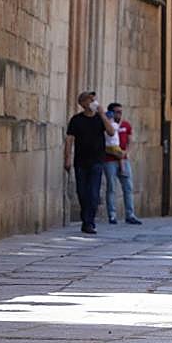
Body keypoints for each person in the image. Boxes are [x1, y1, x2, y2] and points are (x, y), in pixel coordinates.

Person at [64, 91, 117, 235]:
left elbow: (111, 132)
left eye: (95, 99)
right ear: (83, 104)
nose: (94, 102)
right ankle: (85, 220)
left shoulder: (100, 119)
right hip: (81, 161)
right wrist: (67, 158)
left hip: (97, 161)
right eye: (90, 100)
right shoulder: (76, 120)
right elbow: (69, 139)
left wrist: (102, 114)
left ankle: (89, 223)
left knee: (93, 193)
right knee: (82, 193)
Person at [102, 102, 142, 225]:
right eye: (117, 112)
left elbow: (130, 141)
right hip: (109, 160)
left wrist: (125, 153)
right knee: (111, 187)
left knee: (128, 187)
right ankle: (112, 215)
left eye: (120, 112)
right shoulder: (107, 125)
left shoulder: (126, 125)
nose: (119, 114)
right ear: (111, 112)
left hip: (123, 159)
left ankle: (130, 214)